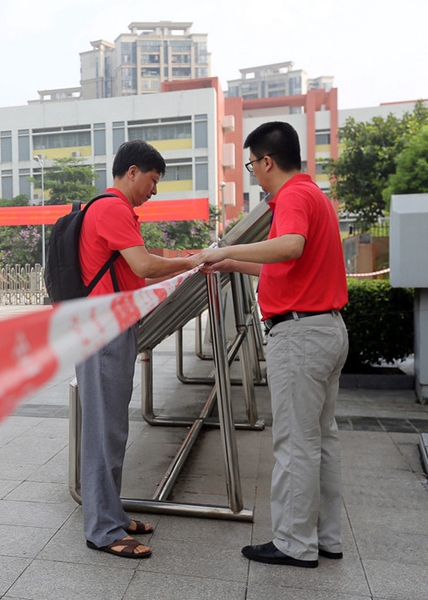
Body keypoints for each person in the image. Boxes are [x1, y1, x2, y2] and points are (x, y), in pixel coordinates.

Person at [193, 121, 348, 568]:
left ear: (266, 160)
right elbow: (284, 265)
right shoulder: (315, 195)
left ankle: (294, 545)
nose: (252, 174)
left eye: (251, 164)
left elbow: (290, 247)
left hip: (301, 336)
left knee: (296, 443)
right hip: (326, 330)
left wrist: (219, 251)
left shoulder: (294, 197)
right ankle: (325, 538)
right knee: (321, 439)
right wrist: (232, 261)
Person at [78, 140, 195, 559]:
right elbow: (145, 265)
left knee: (112, 428)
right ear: (131, 172)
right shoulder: (110, 209)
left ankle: (110, 512)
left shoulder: (115, 211)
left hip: (110, 326)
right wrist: (192, 261)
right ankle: (103, 530)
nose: (154, 190)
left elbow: (135, 275)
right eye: (152, 180)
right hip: (103, 329)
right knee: (104, 431)